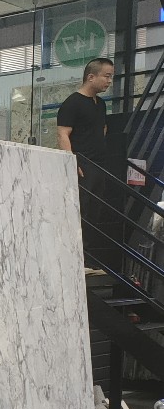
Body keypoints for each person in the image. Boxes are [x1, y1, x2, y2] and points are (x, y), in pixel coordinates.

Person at [57, 58, 115, 261]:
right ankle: (74, 259)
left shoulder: (101, 104)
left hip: (99, 165)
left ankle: (86, 257)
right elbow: (62, 134)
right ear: (91, 77)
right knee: (80, 212)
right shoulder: (73, 103)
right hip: (82, 165)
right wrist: (71, 161)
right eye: (106, 76)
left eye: (111, 77)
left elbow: (103, 128)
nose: (109, 81)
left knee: (94, 213)